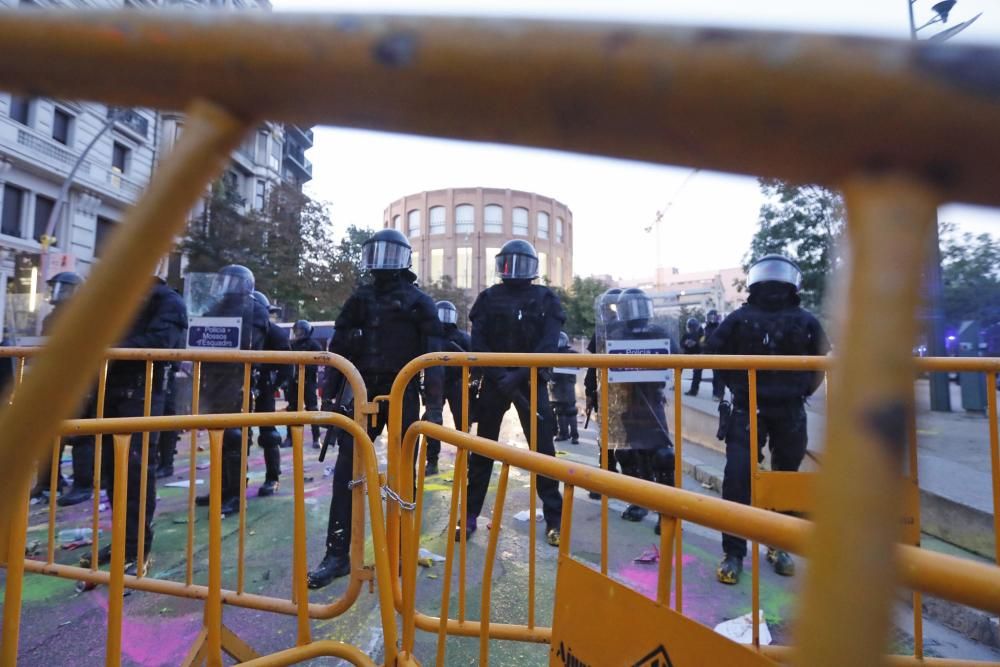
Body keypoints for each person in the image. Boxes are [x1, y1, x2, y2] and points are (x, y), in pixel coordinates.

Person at [307, 229, 443, 589]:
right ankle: (337, 554)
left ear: (405, 258)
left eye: (390, 252)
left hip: (402, 393)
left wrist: (434, 406)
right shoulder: (360, 299)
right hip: (360, 392)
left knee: (402, 476)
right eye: (376, 252)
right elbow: (338, 349)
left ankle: (400, 551)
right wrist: (330, 394)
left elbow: (434, 357)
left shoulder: (419, 302)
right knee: (345, 473)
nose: (382, 260)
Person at [707, 254, 830, 585]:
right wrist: (735, 388)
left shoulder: (805, 321)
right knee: (738, 477)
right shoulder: (740, 319)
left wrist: (800, 391)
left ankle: (779, 545)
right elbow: (714, 351)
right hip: (748, 409)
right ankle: (733, 551)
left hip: (789, 410)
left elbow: (821, 359)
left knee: (786, 479)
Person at [81, 263, 188, 574]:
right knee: (114, 472)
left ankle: (137, 549)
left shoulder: (167, 300)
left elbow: (158, 344)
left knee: (135, 473)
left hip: (140, 395)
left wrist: (105, 348)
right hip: (112, 392)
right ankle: (124, 542)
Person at [462, 240, 564, 547]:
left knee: (543, 452)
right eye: (509, 262)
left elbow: (549, 344)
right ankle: (469, 516)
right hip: (495, 382)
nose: (514, 269)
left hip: (530, 380)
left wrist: (518, 375)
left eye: (521, 262)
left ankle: (555, 519)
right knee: (483, 451)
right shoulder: (489, 297)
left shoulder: (545, 298)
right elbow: (477, 342)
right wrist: (500, 376)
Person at [195, 265, 270, 516]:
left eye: (233, 282)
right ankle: (220, 490)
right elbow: (199, 333)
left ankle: (235, 494)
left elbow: (251, 343)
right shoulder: (216, 308)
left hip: (238, 381)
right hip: (214, 381)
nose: (228, 286)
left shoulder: (254, 309)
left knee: (235, 439)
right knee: (218, 439)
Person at [607, 288, 676, 532]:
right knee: (627, 454)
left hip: (651, 397)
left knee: (662, 456)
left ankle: (667, 510)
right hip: (625, 399)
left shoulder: (659, 332)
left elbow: (676, 359)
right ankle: (639, 501)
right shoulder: (615, 333)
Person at [37, 272, 92, 506]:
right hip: (52, 380)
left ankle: (83, 483)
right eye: (57, 288)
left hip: (78, 382)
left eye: (66, 288)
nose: (59, 293)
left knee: (79, 433)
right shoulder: (50, 318)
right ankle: (48, 481)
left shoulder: (85, 317)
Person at [250, 290, 291, 497]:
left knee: (268, 434)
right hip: (237, 387)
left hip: (262, 387)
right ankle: (231, 483)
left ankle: (272, 477)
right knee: (233, 436)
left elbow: (287, 365)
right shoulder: (241, 330)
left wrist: (271, 385)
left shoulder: (274, 333)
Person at [423, 300, 470, 477]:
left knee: (463, 423)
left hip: (456, 383)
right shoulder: (430, 338)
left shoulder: (462, 338)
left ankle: (466, 460)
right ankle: (432, 461)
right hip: (435, 383)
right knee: (433, 423)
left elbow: (476, 359)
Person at [584, 288, 622, 499]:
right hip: (607, 390)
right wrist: (590, 391)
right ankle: (608, 475)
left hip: (623, 391)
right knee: (607, 438)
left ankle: (613, 478)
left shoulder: (615, 330)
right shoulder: (602, 331)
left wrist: (590, 390)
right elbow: (593, 366)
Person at [285, 319, 323, 449]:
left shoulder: (314, 345)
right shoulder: (291, 345)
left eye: (300, 331)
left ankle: (316, 438)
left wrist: (305, 373)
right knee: (291, 409)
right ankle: (290, 438)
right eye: (296, 331)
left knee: (312, 409)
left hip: (308, 382)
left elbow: (317, 363)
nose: (298, 334)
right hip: (293, 382)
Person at [550, 332, 580, 444]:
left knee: (567, 411)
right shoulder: (555, 354)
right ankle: (566, 434)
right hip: (560, 387)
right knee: (562, 411)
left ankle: (570, 435)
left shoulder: (570, 354)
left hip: (564, 387)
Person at [704, 309, 725, 401]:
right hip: (711, 353)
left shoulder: (720, 327)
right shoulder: (707, 328)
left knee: (719, 376)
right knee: (715, 375)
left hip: (719, 353)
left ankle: (719, 394)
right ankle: (715, 393)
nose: (712, 319)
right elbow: (706, 340)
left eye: (713, 317)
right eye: (710, 317)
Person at [681, 316, 704, 396]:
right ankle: (676, 384)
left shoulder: (701, 334)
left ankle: (694, 390)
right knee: (678, 366)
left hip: (698, 354)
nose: (692, 329)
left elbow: (704, 344)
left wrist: (696, 344)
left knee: (697, 371)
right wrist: (686, 343)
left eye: (693, 327)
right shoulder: (686, 335)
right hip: (688, 353)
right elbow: (681, 343)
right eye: (690, 328)